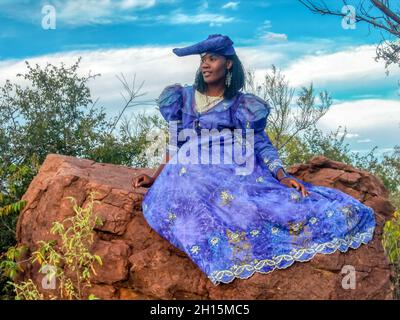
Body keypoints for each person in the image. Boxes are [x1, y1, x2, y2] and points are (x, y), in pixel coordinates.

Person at [132, 34, 376, 286]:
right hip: (189, 168)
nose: (205, 65)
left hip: (230, 169)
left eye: (212, 59)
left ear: (228, 64)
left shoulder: (240, 104)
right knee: (187, 169)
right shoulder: (181, 98)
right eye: (202, 59)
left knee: (267, 205)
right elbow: (175, 144)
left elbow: (261, 143)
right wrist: (155, 176)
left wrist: (283, 176)